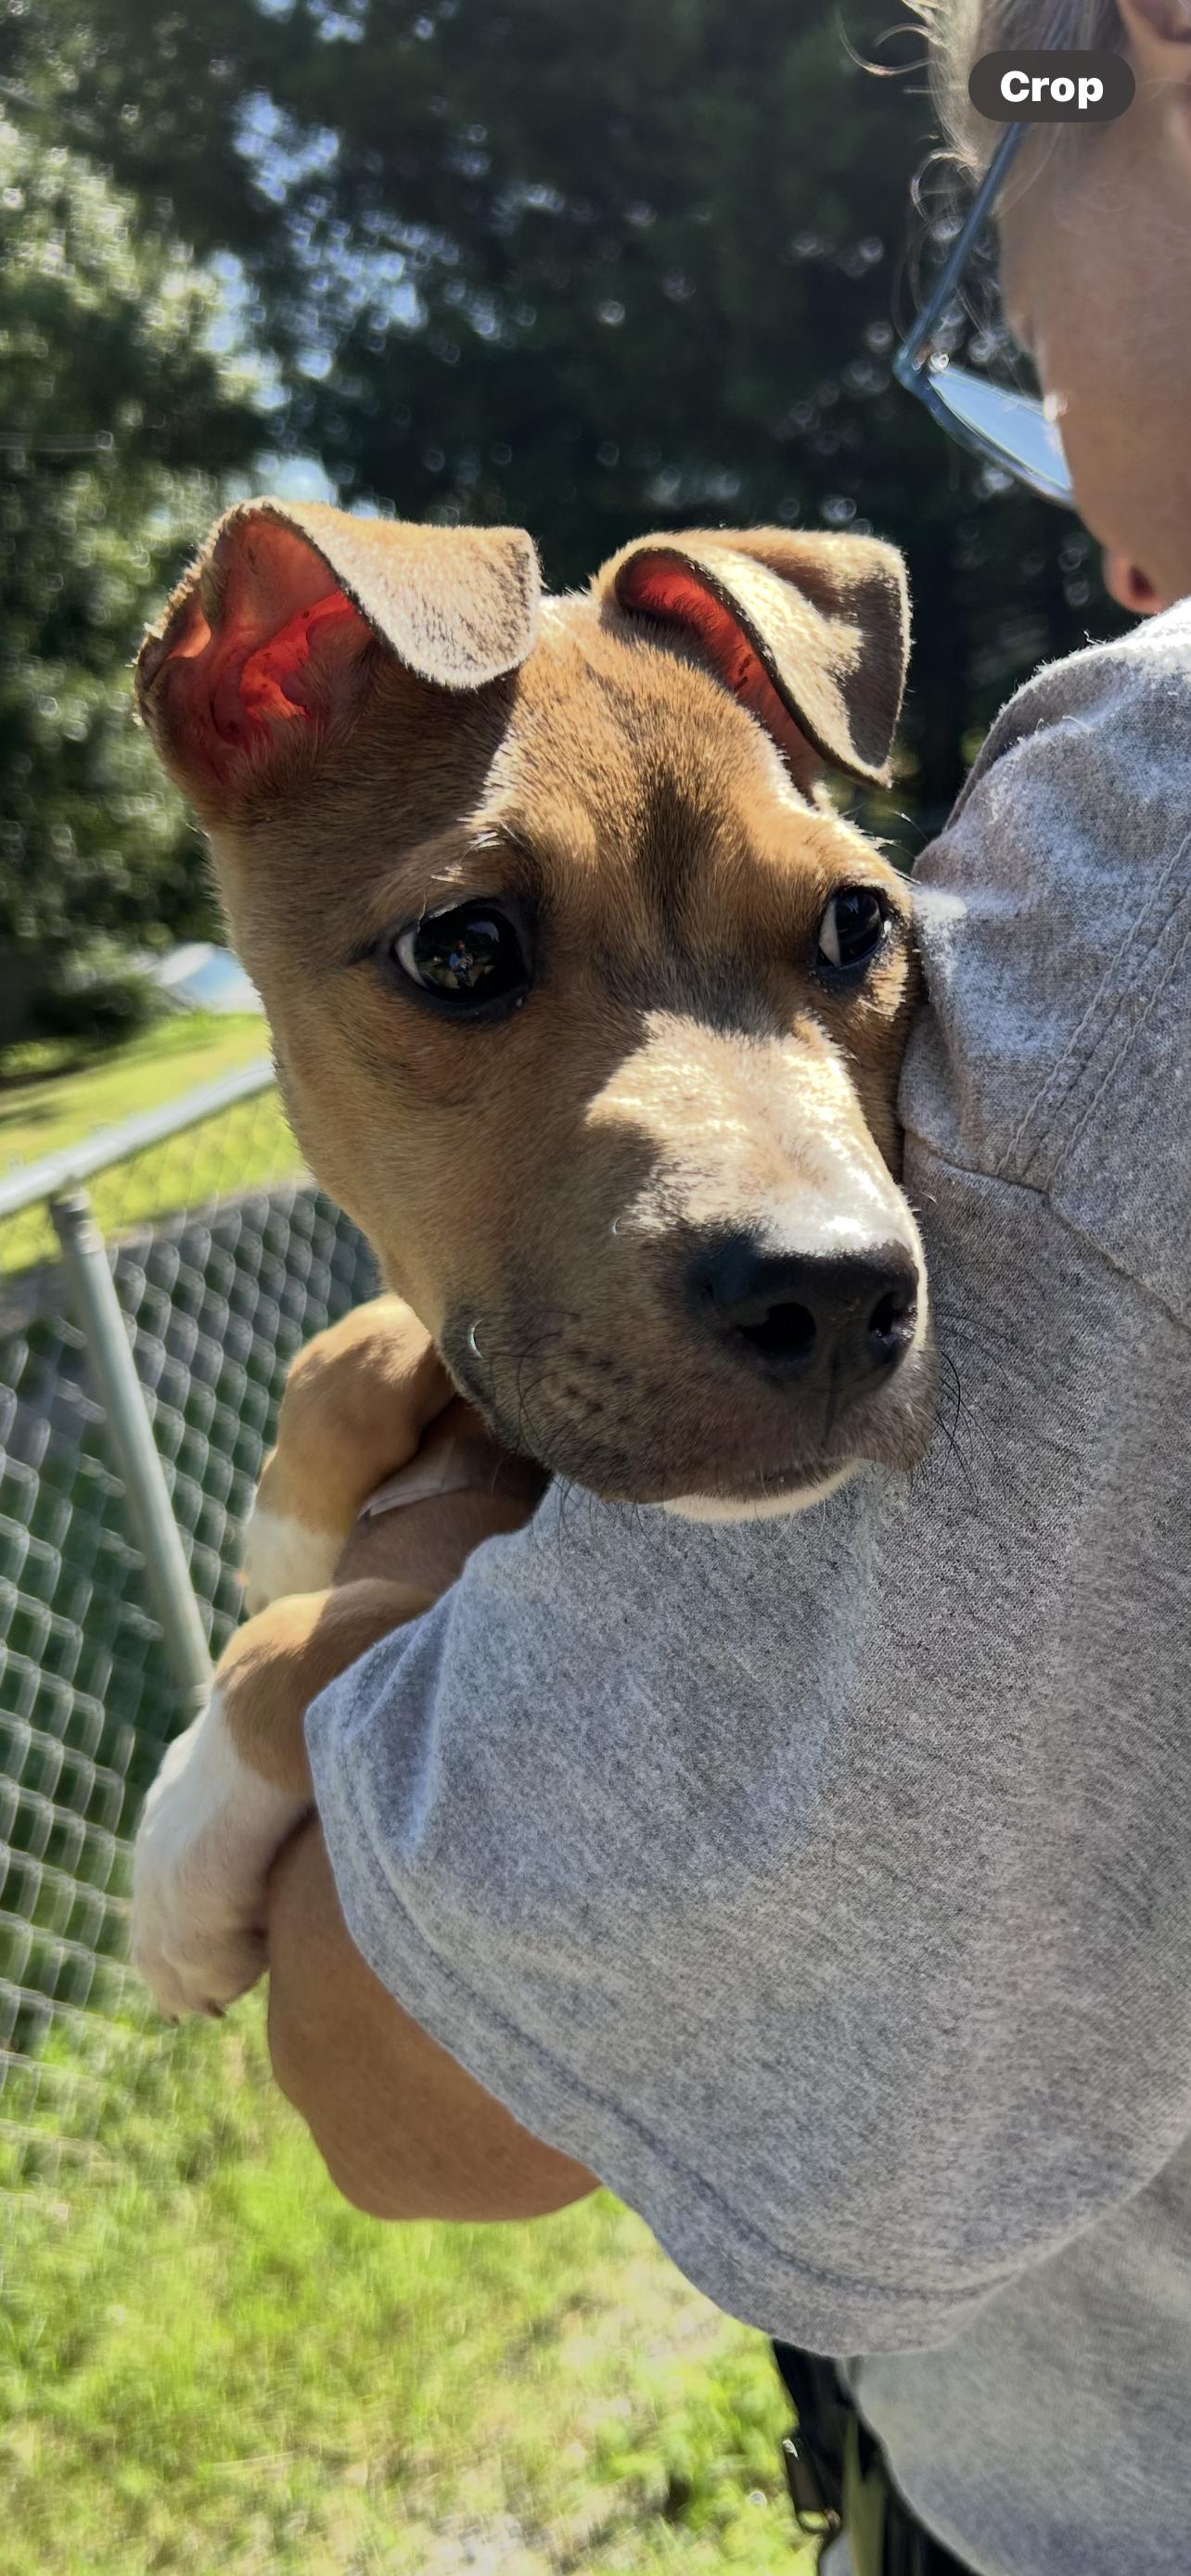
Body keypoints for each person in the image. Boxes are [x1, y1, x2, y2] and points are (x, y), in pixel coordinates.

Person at [264, 5, 1191, 2570]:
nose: (1043, 437)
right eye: (467, 961)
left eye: (1002, 255)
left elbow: (414, 2087)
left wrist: (336, 1625)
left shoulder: (1161, 862)